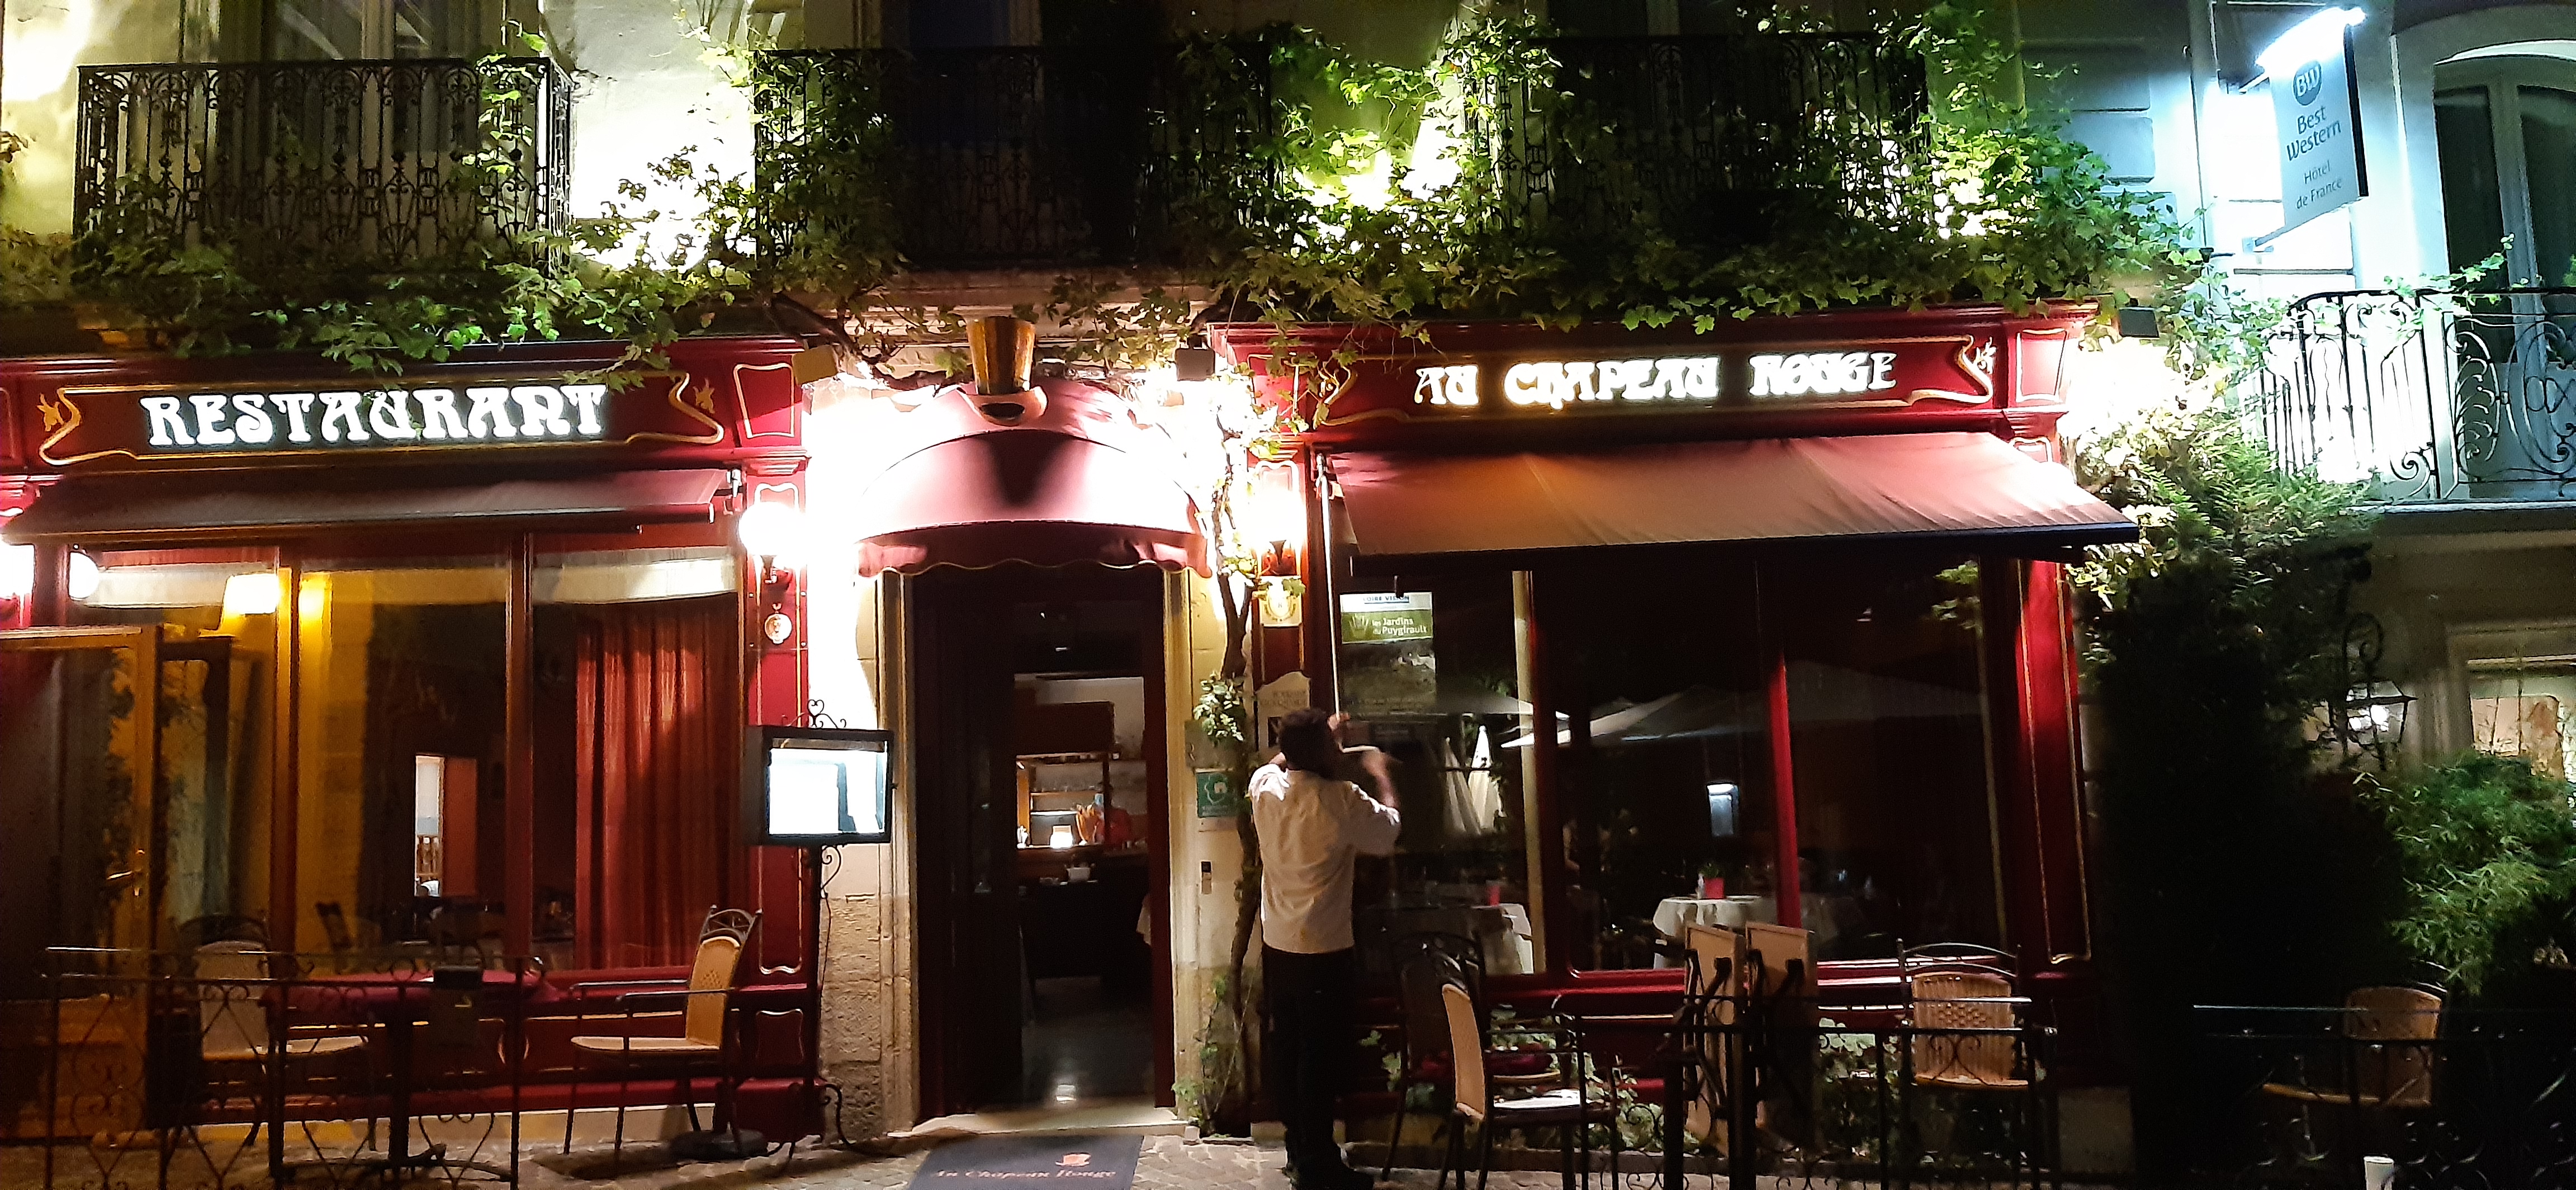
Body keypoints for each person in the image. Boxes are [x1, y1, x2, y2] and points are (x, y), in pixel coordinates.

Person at [1252, 707, 1400, 1190]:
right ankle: (1319, 1167)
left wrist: (1316, 739)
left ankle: (1299, 1151)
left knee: (1288, 1051)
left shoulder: (1265, 790)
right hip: (1324, 950)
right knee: (1320, 1059)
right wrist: (1380, 774)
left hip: (1278, 947)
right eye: (1333, 745)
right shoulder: (1341, 800)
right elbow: (1389, 831)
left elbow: (1278, 763)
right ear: (1321, 753)